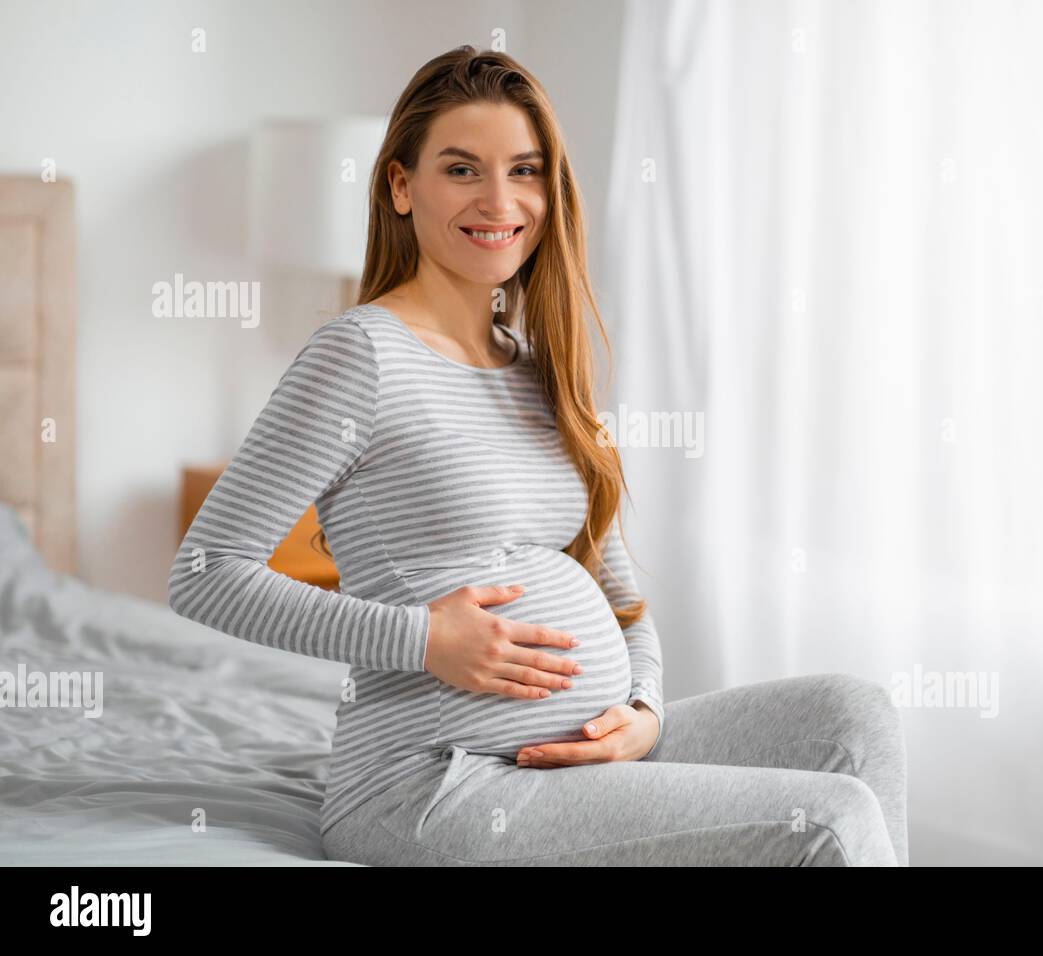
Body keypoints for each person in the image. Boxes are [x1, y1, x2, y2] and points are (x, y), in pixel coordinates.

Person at [168, 45, 907, 866]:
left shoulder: (537, 366)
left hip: (575, 758)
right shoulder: (361, 356)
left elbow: (618, 590)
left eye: (524, 170)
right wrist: (424, 640)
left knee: (853, 715)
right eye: (461, 169)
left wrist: (645, 710)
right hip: (435, 783)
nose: (499, 199)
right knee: (830, 819)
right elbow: (205, 573)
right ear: (401, 186)